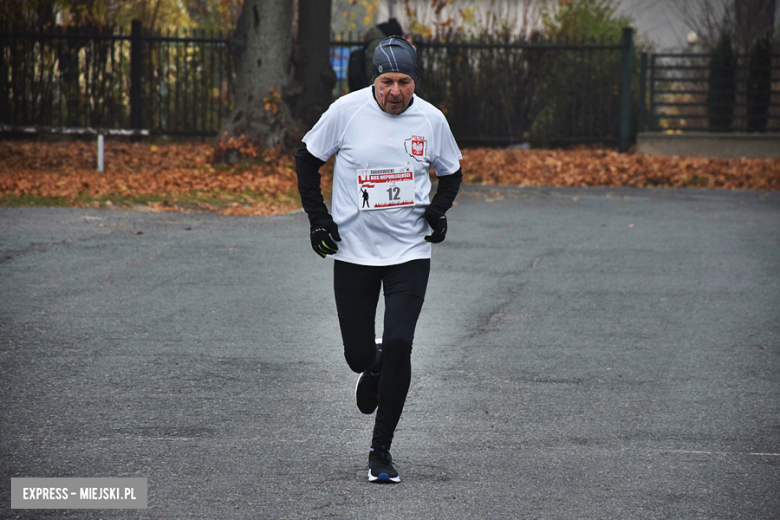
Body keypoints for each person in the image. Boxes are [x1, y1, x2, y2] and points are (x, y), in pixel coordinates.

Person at [295, 35, 463, 484]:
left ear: (414, 81)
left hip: (409, 251)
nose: (395, 91)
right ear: (375, 79)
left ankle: (381, 450)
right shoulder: (345, 112)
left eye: (404, 81)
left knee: (402, 342)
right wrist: (318, 219)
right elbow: (306, 161)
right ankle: (373, 362)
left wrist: (438, 212)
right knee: (357, 354)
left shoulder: (431, 120)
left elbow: (451, 174)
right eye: (387, 81)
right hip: (353, 252)